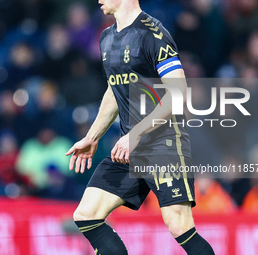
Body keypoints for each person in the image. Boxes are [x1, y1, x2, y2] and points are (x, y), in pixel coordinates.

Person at [66, 1, 215, 254]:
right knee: (87, 215)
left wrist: (135, 135)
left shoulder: (153, 34)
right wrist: (92, 137)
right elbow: (114, 91)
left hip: (164, 144)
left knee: (179, 225)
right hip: (129, 146)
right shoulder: (106, 37)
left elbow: (178, 92)